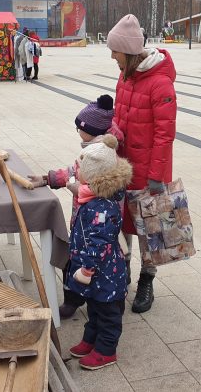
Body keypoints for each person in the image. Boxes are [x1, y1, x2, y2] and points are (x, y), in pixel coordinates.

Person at [28, 95, 123, 319]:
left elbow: (83, 183)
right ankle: (75, 299)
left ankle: (102, 305)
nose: (77, 132)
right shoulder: (93, 148)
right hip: (82, 221)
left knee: (94, 260)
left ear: (90, 129)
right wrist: (47, 178)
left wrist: (75, 187)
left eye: (79, 128)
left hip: (95, 223)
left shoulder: (101, 155)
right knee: (77, 259)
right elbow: (73, 173)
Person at [107, 14, 177, 314]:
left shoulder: (160, 84)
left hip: (149, 172)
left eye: (115, 51)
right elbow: (118, 117)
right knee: (122, 224)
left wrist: (157, 176)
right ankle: (121, 275)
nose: (112, 56)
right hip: (122, 166)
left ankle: (147, 279)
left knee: (150, 229)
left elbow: (165, 134)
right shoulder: (125, 77)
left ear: (130, 51)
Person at [67, 134, 132, 370]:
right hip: (97, 273)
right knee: (94, 307)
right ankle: (90, 340)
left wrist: (86, 268)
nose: (77, 173)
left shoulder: (102, 208)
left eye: (80, 170)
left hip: (104, 273)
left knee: (107, 314)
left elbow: (99, 244)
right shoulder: (92, 197)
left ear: (94, 176)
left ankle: (106, 350)